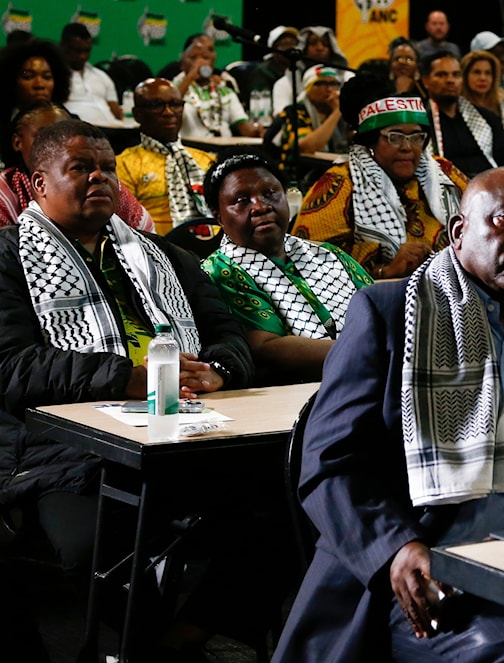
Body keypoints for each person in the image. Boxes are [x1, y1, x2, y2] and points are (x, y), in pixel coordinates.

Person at [272, 165, 504, 662]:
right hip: (427, 570)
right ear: (459, 233)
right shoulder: (388, 313)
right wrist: (396, 549)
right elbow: (331, 465)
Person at [0, 120, 254, 646]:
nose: (100, 177)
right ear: (40, 183)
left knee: (280, 505)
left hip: (190, 431)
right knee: (95, 545)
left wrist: (220, 369)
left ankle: (180, 638)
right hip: (62, 447)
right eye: (80, 168)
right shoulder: (7, 258)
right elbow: (11, 366)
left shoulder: (161, 255)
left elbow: (227, 332)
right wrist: (128, 378)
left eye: (108, 168)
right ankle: (153, 641)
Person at [201, 148, 372, 385]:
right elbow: (266, 347)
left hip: (368, 374)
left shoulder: (328, 254)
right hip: (298, 393)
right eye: (241, 201)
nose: (260, 206)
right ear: (219, 217)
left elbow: (375, 309)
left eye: (270, 193)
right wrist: (366, 351)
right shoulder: (219, 272)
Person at [293, 75, 466, 279]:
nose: (407, 147)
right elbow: (308, 263)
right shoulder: (341, 182)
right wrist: (386, 271)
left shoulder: (444, 172)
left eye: (416, 137)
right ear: (371, 143)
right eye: (395, 137)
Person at [2, 101, 153, 231]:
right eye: (43, 136)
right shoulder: (4, 194)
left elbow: (147, 240)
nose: (59, 146)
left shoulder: (104, 184)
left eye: (67, 136)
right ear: (17, 142)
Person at [116, 78, 214, 235]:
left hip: (216, 248)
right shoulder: (124, 164)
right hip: (156, 249)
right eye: (156, 105)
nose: (168, 112)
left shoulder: (205, 159)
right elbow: (124, 225)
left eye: (175, 104)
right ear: (137, 114)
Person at [420, 51, 504, 177]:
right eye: (442, 75)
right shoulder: (419, 121)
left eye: (456, 75)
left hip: (490, 187)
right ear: (426, 81)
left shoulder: (486, 118)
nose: (450, 80)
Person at [173, 34, 263, 140]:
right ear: (182, 61)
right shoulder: (173, 87)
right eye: (193, 58)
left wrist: (257, 130)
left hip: (222, 150)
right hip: (191, 150)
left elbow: (244, 127)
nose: (200, 63)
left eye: (205, 57)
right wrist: (190, 77)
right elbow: (172, 105)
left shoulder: (224, 89)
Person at [268, 64, 349, 175]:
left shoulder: (341, 113)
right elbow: (305, 147)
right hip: (296, 176)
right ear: (308, 88)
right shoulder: (295, 111)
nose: (329, 89)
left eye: (334, 84)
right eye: (321, 83)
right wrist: (337, 112)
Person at [0, 39, 71, 165]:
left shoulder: (70, 121)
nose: (39, 85)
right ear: (11, 80)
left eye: (47, 77)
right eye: (28, 77)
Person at [272, 26, 350, 116]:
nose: (320, 48)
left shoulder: (348, 77)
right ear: (303, 47)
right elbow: (281, 117)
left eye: (325, 44)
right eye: (313, 43)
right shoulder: (286, 83)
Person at [60, 22, 121, 124]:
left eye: (87, 51)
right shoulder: (55, 76)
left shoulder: (102, 76)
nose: (83, 56)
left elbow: (115, 111)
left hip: (112, 130)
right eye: (78, 51)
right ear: (63, 46)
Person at [250, 26, 300, 106]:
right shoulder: (263, 72)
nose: (290, 48)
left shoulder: (300, 69)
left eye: (293, 43)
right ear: (274, 49)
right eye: (285, 44)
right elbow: (262, 103)